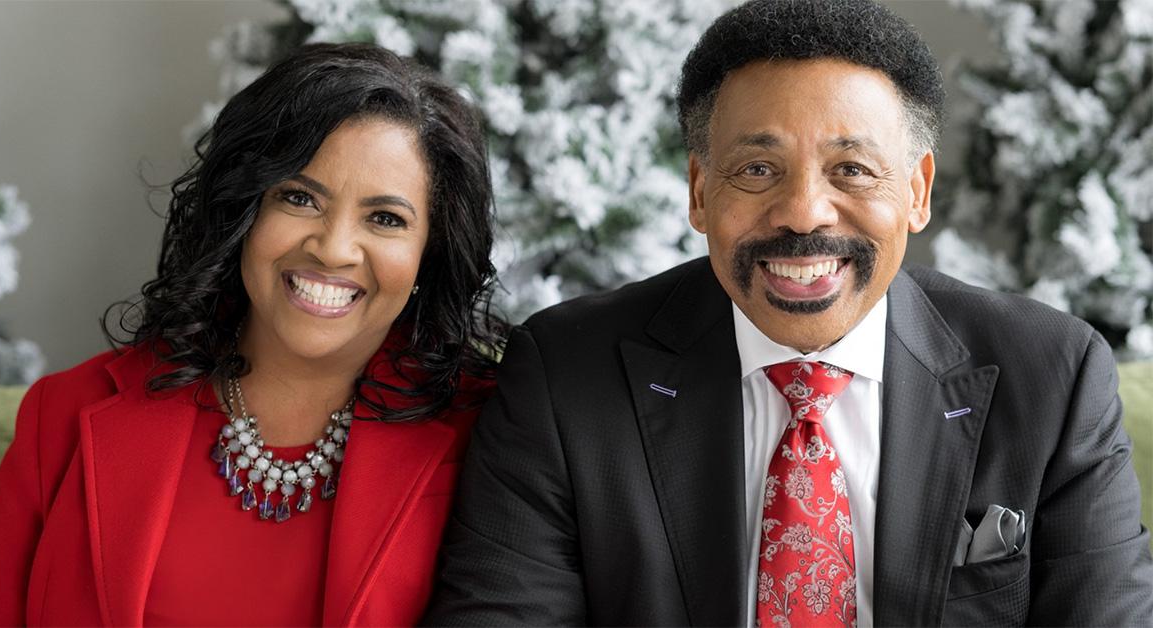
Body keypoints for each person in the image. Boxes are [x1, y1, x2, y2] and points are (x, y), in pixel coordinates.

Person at [424, 0, 1153, 625]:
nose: (804, 211)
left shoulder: (1052, 375)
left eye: (852, 170)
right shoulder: (565, 376)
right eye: (758, 170)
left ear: (918, 191)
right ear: (701, 192)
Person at [0, 42, 505, 626]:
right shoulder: (64, 414)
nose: (334, 248)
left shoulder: (490, 437)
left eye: (386, 219)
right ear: (242, 210)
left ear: (432, 251)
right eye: (299, 198)